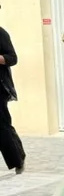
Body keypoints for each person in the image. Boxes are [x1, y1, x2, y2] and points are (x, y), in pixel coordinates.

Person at [0, 10, 25, 175]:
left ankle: (18, 159)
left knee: (2, 126)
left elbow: (12, 58)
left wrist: (1, 59)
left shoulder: (1, 33)